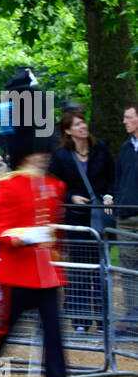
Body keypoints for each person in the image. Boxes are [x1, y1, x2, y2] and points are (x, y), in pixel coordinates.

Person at [0, 106, 87, 377]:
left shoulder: (53, 186)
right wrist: (16, 238)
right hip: (15, 272)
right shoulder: (5, 185)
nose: (41, 158)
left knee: (54, 336)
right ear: (24, 154)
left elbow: (54, 232)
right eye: (36, 154)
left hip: (45, 273)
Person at [48, 106, 115, 331]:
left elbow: (112, 177)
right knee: (79, 270)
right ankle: (80, 319)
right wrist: (71, 196)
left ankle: (103, 319)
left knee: (101, 269)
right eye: (77, 124)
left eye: (83, 122)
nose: (83, 126)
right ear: (68, 131)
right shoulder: (61, 156)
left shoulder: (101, 149)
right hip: (76, 220)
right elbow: (54, 185)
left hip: (99, 218)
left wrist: (107, 196)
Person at [114, 103, 138, 336]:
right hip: (126, 217)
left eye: (129, 117)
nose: (124, 121)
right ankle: (133, 316)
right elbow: (118, 178)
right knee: (129, 269)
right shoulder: (124, 148)